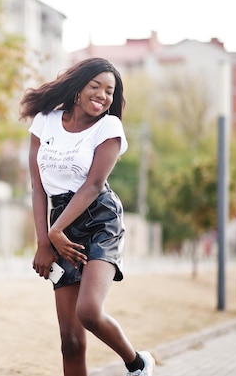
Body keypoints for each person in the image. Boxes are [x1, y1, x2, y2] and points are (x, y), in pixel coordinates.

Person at [20, 57, 155, 376]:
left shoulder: (109, 127)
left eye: (110, 91)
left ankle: (137, 364)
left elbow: (93, 185)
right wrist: (45, 240)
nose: (103, 95)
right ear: (78, 88)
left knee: (89, 312)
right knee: (70, 340)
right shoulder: (45, 120)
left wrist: (57, 231)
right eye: (96, 86)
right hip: (59, 220)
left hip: (99, 220)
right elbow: (37, 186)